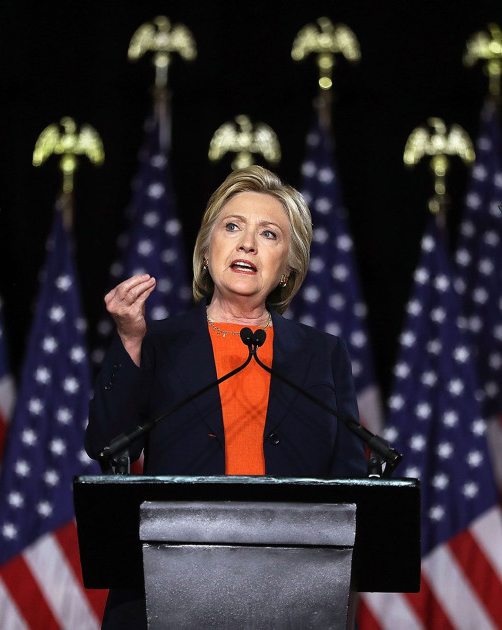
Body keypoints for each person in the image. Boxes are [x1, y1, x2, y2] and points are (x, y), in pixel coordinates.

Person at [85, 165, 367, 628]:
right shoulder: (158, 342)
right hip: (168, 587)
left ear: (288, 267)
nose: (247, 244)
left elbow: (347, 489)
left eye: (269, 234)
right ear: (205, 249)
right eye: (232, 226)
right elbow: (108, 445)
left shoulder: (322, 354)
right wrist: (131, 341)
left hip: (293, 596)